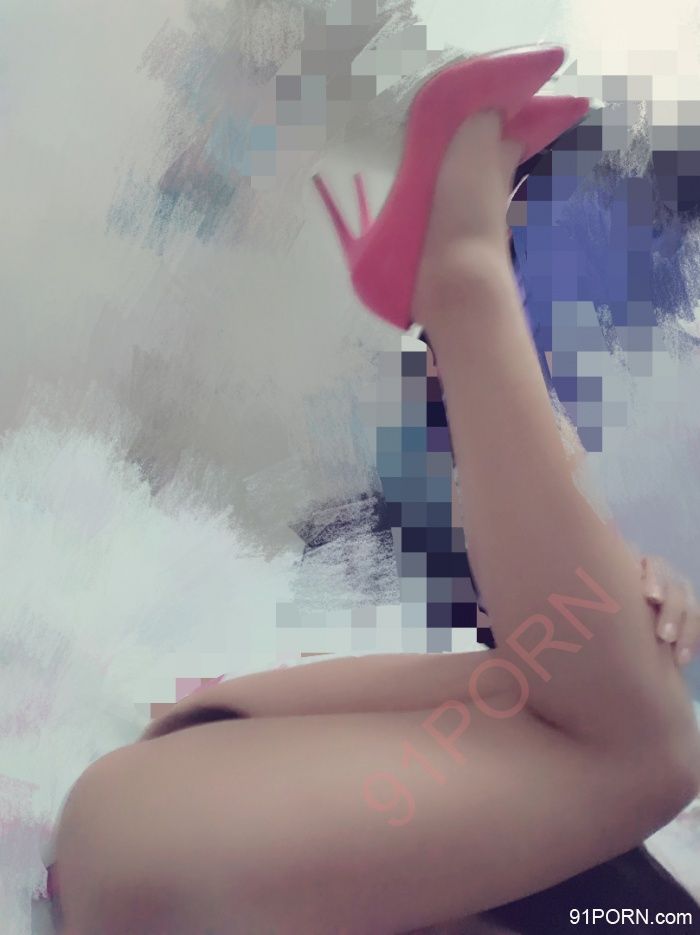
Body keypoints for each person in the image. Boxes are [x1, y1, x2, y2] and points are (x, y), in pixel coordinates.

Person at [51, 55, 700, 934]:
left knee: (650, 748)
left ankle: (456, 292)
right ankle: (456, 297)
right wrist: (622, 622)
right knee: (630, 714)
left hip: (180, 846)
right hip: (207, 820)